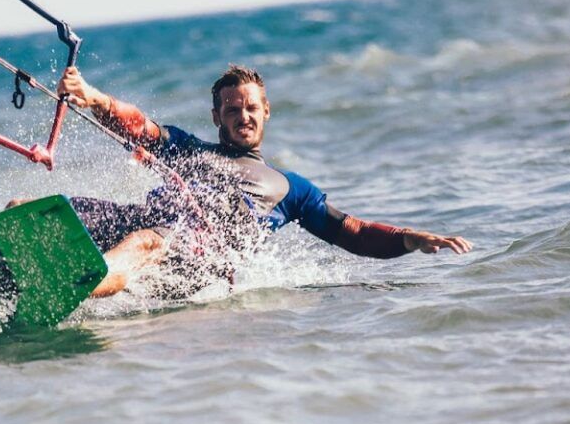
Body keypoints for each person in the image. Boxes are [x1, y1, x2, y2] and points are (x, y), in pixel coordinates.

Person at [56, 63, 472, 297]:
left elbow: (354, 233)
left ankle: (72, 286)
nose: (243, 116)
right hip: (149, 220)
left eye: (251, 108)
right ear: (217, 116)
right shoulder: (190, 149)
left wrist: (406, 238)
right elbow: (140, 127)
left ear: (266, 110)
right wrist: (94, 96)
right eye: (232, 110)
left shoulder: (289, 188)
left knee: (147, 242)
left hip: (196, 254)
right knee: (44, 211)